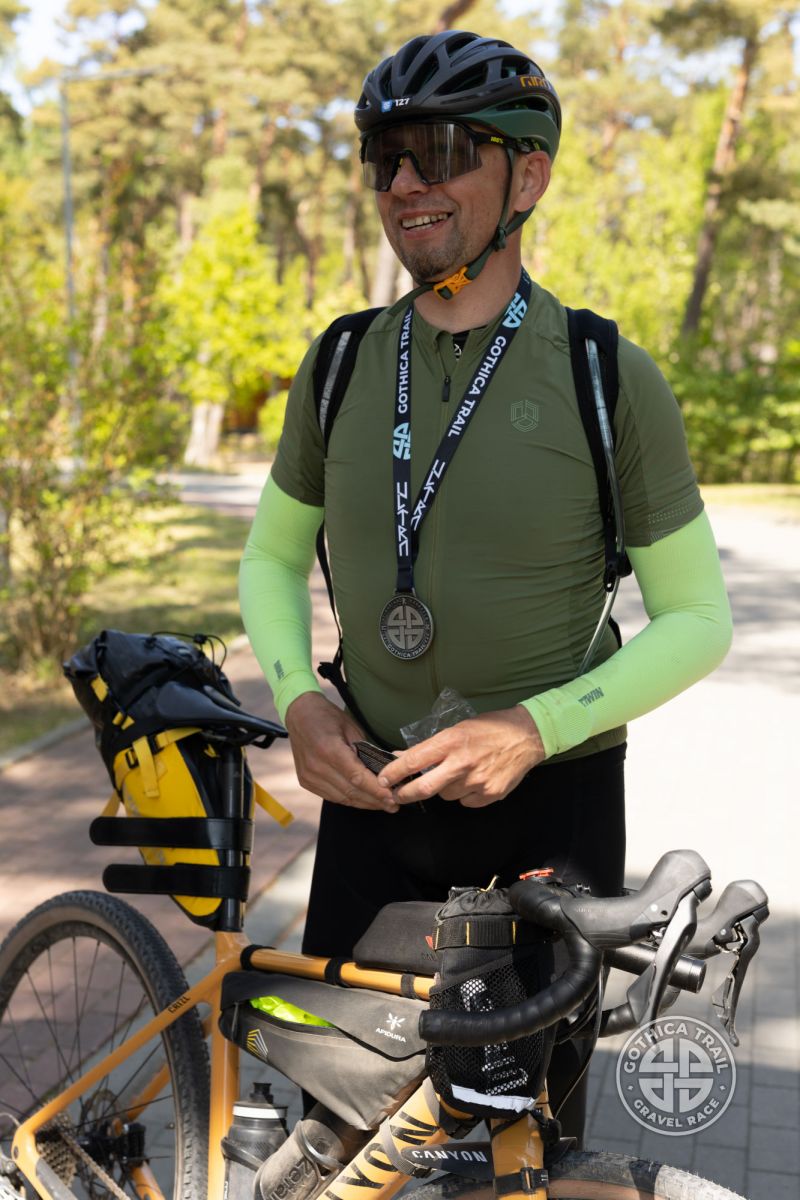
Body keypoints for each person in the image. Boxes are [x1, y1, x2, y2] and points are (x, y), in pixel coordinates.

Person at [240, 31, 732, 1140]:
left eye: (445, 151)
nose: (406, 182)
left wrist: (532, 729)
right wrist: (299, 700)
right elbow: (270, 557)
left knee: (518, 1147)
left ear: (529, 175)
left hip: (548, 808)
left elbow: (699, 618)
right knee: (338, 1135)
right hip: (369, 796)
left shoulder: (605, 375)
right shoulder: (340, 364)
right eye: (386, 158)